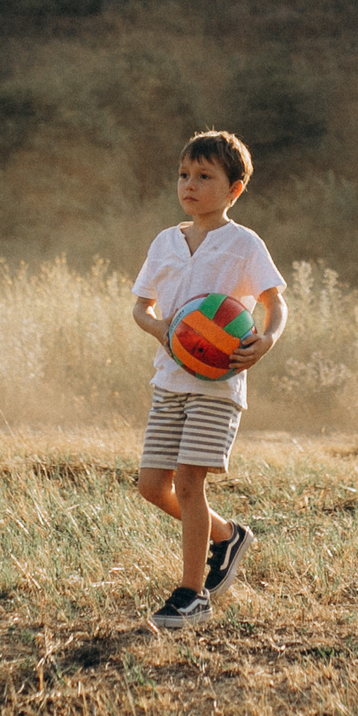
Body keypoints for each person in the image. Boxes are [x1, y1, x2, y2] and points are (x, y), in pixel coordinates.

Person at [129, 130, 286, 630]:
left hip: (217, 387)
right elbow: (141, 306)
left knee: (188, 482)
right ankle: (226, 535)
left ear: (234, 189)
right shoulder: (164, 241)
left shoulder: (243, 243)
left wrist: (268, 339)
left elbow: (274, 302)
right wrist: (163, 331)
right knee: (152, 486)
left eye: (204, 177)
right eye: (183, 175)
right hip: (169, 381)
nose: (189, 185)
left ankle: (192, 595)